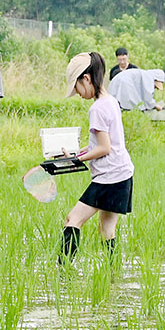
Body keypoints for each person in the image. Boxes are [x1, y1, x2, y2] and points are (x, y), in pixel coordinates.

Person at [60, 52, 134, 267]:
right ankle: (113, 272)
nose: (77, 92)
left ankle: (62, 272)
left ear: (87, 79)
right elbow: (105, 143)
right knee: (107, 230)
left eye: (76, 87)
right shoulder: (110, 101)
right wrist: (78, 154)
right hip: (123, 174)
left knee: (72, 220)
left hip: (108, 178)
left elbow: (104, 147)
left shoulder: (97, 108)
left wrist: (78, 158)